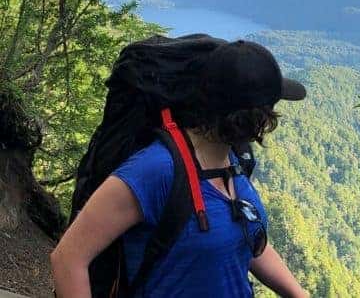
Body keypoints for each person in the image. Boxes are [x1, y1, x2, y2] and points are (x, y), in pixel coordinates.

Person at [51, 38, 310, 297]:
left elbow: (244, 236)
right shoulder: (156, 170)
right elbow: (68, 259)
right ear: (253, 118)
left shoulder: (234, 161)